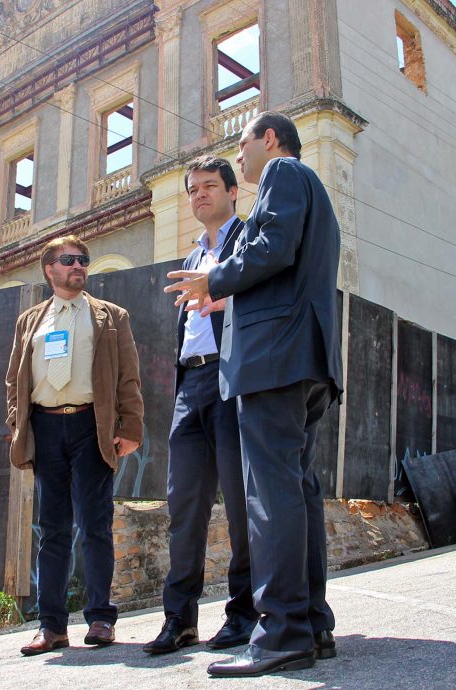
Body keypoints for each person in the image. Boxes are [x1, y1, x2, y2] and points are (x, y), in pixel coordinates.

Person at [164, 111, 342, 677]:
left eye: (242, 147)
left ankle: (282, 633)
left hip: (274, 361)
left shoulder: (284, 174)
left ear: (270, 140)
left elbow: (273, 248)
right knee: (297, 491)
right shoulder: (310, 189)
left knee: (271, 496)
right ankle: (312, 624)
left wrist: (213, 279)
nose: (239, 158)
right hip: (302, 361)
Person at [5, 235, 144, 656]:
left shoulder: (110, 316)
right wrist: (18, 422)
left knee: (96, 525)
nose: (78, 265)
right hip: (46, 430)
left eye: (83, 260)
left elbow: (128, 376)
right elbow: (14, 379)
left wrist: (131, 425)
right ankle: (52, 627)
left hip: (91, 427)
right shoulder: (30, 321)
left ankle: (101, 618)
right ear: (49, 269)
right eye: (69, 260)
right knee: (53, 531)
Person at [143, 156, 258, 655]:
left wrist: (225, 300)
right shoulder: (191, 257)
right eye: (192, 190)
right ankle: (179, 619)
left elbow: (265, 298)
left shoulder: (249, 241)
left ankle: (244, 613)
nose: (199, 196)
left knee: (238, 503)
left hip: (230, 379)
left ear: (234, 192)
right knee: (183, 505)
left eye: (210, 186)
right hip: (190, 384)